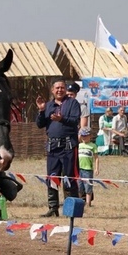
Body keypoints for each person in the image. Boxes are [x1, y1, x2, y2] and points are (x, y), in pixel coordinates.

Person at [36, 79, 81, 217]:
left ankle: (71, 209)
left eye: (62, 87)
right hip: (53, 147)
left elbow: (75, 121)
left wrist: (61, 119)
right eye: (57, 88)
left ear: (65, 89)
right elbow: (40, 124)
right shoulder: (48, 105)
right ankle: (53, 208)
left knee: (69, 178)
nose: (60, 90)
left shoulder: (73, 103)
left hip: (68, 146)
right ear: (52, 90)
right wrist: (41, 110)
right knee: (52, 178)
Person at [77, 127, 99, 207]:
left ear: (90, 136)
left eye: (86, 136)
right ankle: (79, 202)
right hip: (79, 169)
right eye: (82, 136)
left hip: (88, 170)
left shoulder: (93, 146)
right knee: (79, 187)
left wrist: (97, 168)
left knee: (88, 187)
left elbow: (96, 158)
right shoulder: (79, 145)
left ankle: (88, 203)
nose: (84, 137)